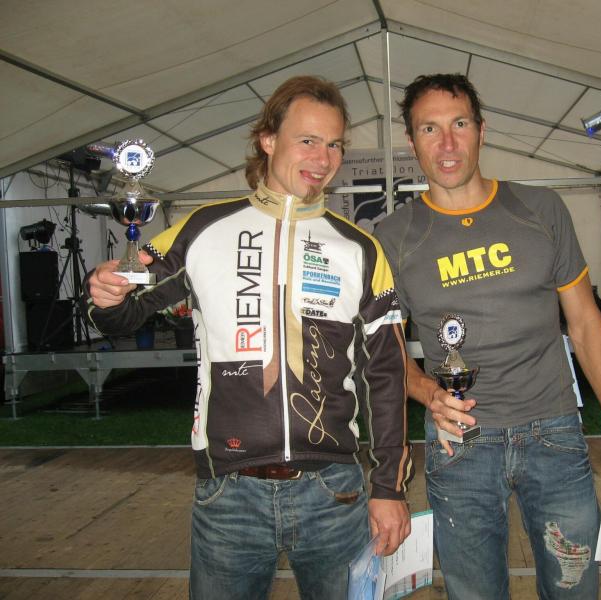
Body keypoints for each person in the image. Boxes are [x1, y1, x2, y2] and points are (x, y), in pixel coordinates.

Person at [83, 75, 413, 600]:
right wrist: (105, 294)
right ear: (268, 140)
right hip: (228, 496)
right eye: (308, 140)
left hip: (334, 494)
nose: (323, 158)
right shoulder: (201, 229)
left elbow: (387, 377)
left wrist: (388, 487)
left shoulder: (361, 249)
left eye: (334, 144)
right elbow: (123, 314)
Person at [374, 73, 601, 600]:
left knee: (574, 590)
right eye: (430, 129)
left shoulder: (540, 210)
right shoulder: (392, 237)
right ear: (412, 143)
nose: (447, 143)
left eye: (459, 124)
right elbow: (385, 357)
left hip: (554, 435)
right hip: (460, 444)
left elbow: (585, 322)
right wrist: (429, 393)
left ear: (482, 131)